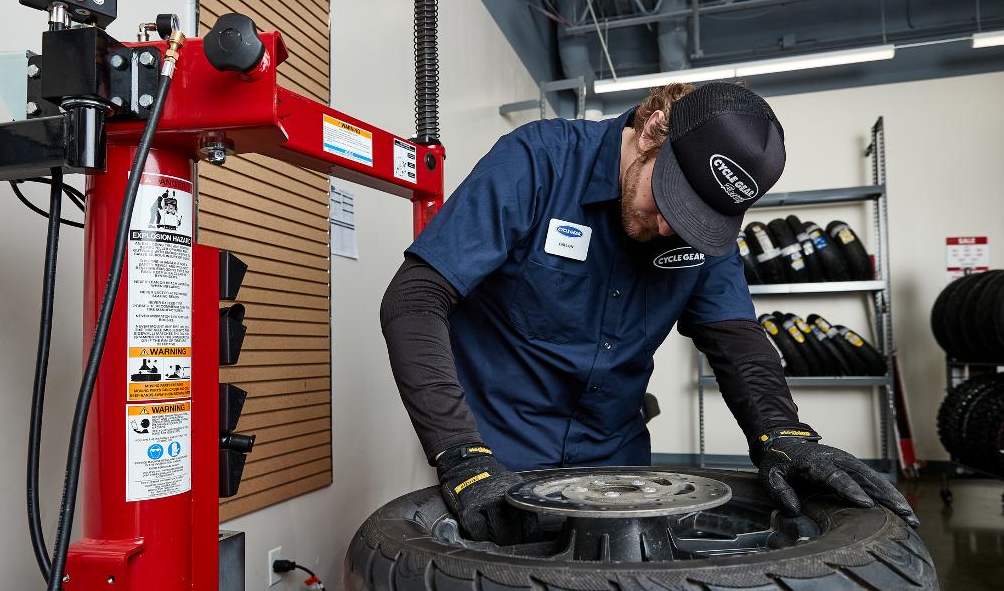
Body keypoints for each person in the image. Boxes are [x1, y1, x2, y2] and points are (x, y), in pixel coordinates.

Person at [380, 82, 917, 544]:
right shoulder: (538, 161)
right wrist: (462, 457)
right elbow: (414, 299)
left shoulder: (697, 229)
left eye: (695, 221)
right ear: (653, 124)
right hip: (499, 462)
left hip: (619, 465)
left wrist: (781, 433)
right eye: (669, 198)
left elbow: (735, 339)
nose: (669, 228)